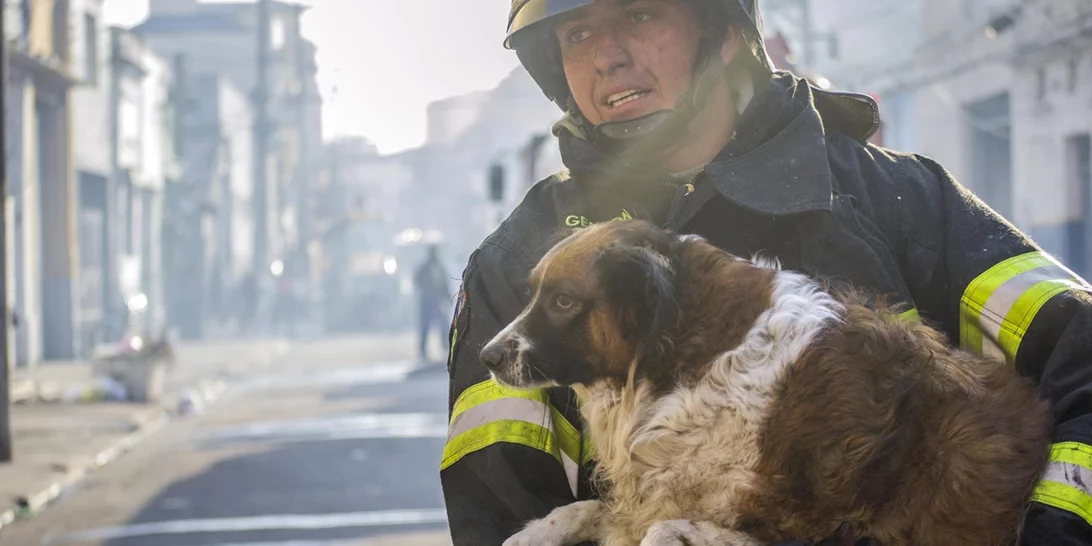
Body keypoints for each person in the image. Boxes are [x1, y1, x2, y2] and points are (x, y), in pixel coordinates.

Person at [440, 1, 1092, 545]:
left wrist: (1054, 533)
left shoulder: (898, 198)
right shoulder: (523, 256)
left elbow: (1082, 357)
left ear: (722, 31)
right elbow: (499, 506)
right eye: (577, 31)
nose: (605, 55)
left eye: (639, 14)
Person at [414, 244, 451, 362]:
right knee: (426, 326)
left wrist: (447, 297)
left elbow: (444, 284)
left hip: (438, 302)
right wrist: (426, 291)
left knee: (443, 325)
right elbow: (417, 280)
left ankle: (445, 348)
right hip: (427, 302)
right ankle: (423, 351)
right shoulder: (424, 268)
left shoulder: (440, 267)